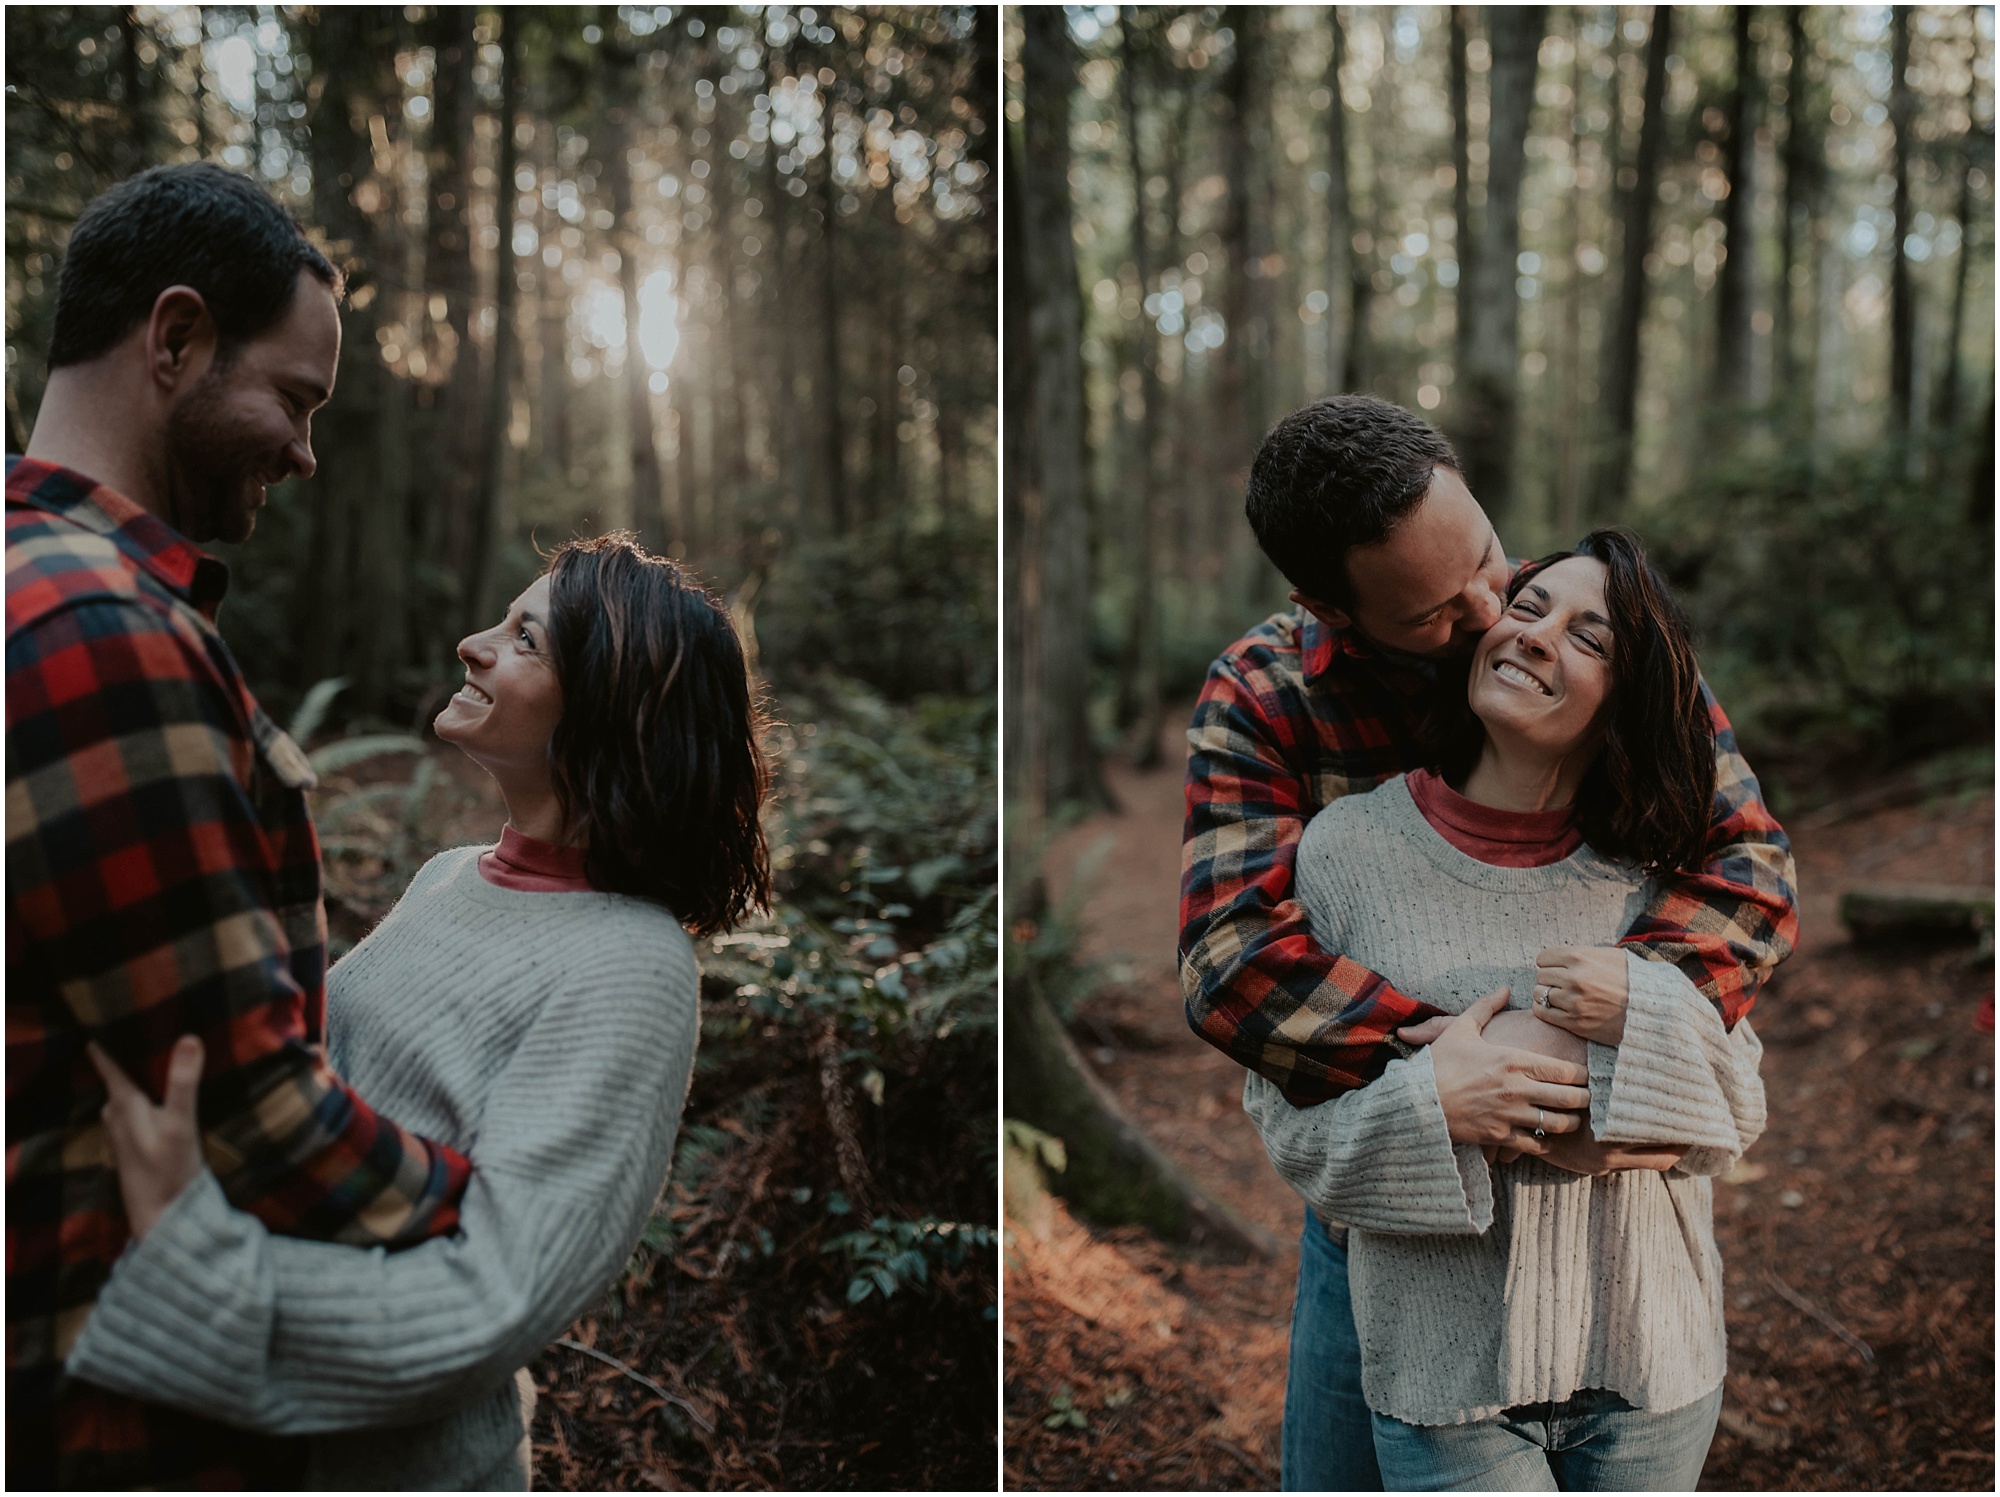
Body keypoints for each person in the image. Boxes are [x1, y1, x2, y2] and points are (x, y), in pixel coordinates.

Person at [1177, 396, 1799, 1489]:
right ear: (1328, 605)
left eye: (1487, 561)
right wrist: (1442, 1075)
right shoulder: (1266, 695)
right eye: (1428, 612)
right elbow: (1235, 962)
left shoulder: (1584, 631)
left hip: (1623, 1279)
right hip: (1390, 1231)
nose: (1485, 614)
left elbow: (1745, 877)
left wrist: (1606, 1047)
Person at [65, 534, 772, 1489]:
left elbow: (493, 1295)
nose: (473, 644)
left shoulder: (630, 965)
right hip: (241, 1448)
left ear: (613, 705)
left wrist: (200, 1258)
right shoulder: (449, 877)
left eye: (526, 639)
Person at [6, 161, 473, 1489]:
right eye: (295, 397)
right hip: (89, 1408)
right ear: (175, 338)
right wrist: (497, 1214)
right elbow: (252, 1116)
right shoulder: (99, 630)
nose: (308, 452)